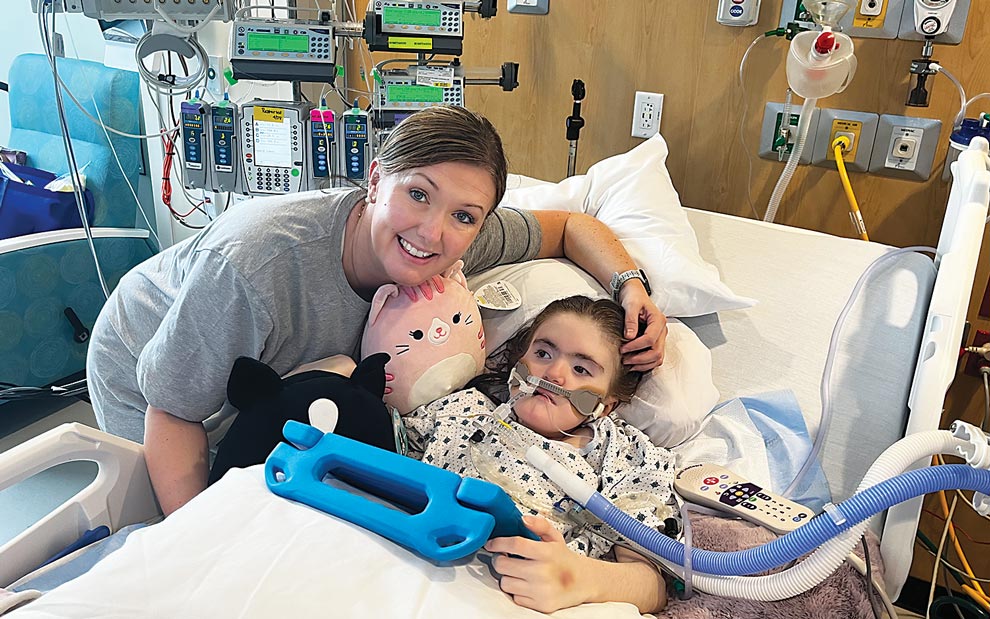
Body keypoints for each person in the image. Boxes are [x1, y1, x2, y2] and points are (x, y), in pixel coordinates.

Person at [86, 105, 669, 517]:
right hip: (153, 363)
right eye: (417, 193)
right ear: (374, 181)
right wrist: (200, 541)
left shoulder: (451, 243)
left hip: (275, 380)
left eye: (465, 215)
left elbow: (571, 226)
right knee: (185, 520)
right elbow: (174, 412)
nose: (432, 231)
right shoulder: (256, 264)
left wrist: (631, 287)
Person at [403, 296, 676, 615]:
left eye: (580, 368)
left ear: (608, 404)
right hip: (415, 560)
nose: (554, 373)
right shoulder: (466, 411)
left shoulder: (623, 456)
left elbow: (652, 587)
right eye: (543, 353)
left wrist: (578, 576)